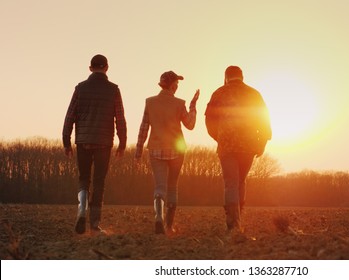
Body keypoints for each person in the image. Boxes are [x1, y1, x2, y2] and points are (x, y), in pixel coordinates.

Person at [62, 54, 127, 235]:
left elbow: (70, 116)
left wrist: (66, 141)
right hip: (104, 142)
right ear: (107, 68)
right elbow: (120, 118)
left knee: (84, 178)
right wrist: (122, 143)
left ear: (90, 68)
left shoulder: (80, 88)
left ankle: (82, 209)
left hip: (83, 141)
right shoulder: (114, 90)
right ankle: (95, 224)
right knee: (99, 182)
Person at [205, 66, 272, 232]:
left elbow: (209, 120)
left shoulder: (219, 93)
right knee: (241, 181)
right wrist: (262, 142)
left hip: (226, 146)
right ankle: (239, 217)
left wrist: (218, 137)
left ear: (226, 77)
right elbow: (264, 120)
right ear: (242, 76)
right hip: (248, 146)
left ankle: (233, 222)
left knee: (230, 184)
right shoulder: (254, 94)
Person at [135, 71, 199, 234]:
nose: (177, 86)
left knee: (160, 186)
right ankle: (169, 226)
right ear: (171, 85)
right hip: (177, 150)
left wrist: (138, 150)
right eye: (176, 83)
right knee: (172, 187)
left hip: (156, 149)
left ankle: (158, 216)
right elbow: (190, 125)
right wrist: (193, 106)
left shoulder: (150, 102)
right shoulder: (179, 103)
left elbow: (144, 127)